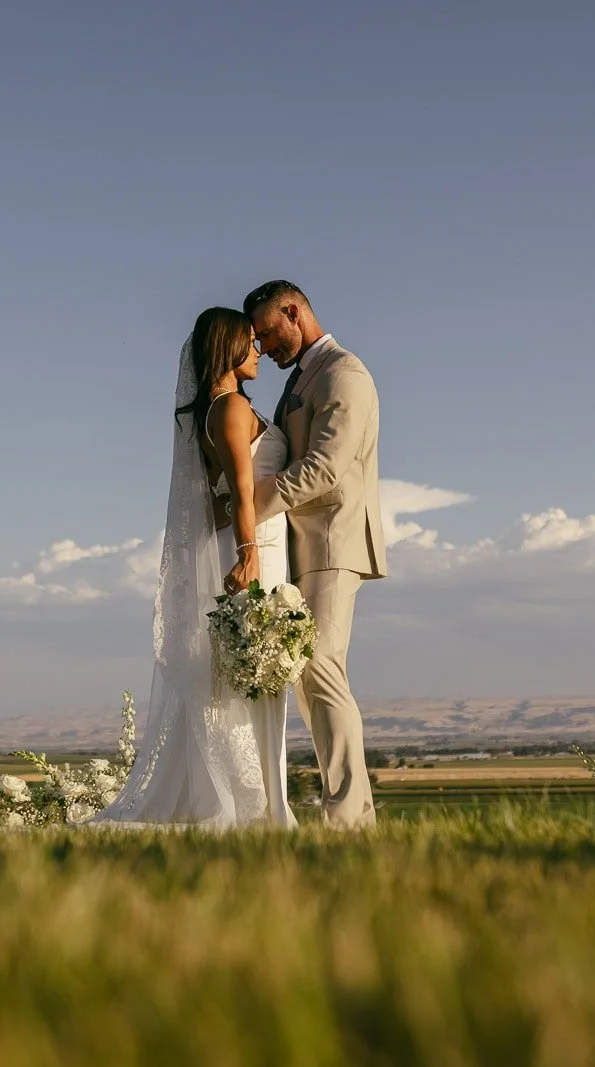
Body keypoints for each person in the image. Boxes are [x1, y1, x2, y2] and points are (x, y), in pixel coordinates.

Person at [89, 307, 297, 828]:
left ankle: (264, 801)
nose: (257, 352)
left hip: (262, 543)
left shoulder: (230, 407)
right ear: (227, 348)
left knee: (252, 671)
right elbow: (242, 493)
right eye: (249, 343)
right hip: (256, 553)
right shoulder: (228, 410)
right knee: (247, 673)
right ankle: (247, 803)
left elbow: (221, 500)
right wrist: (249, 554)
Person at [243, 280, 385, 828]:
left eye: (266, 332)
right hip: (301, 545)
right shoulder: (304, 375)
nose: (262, 345)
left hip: (332, 539)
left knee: (321, 671)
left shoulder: (343, 373)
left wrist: (249, 507)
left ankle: (347, 820)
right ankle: (355, 816)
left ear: (293, 311)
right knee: (312, 677)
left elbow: (326, 466)